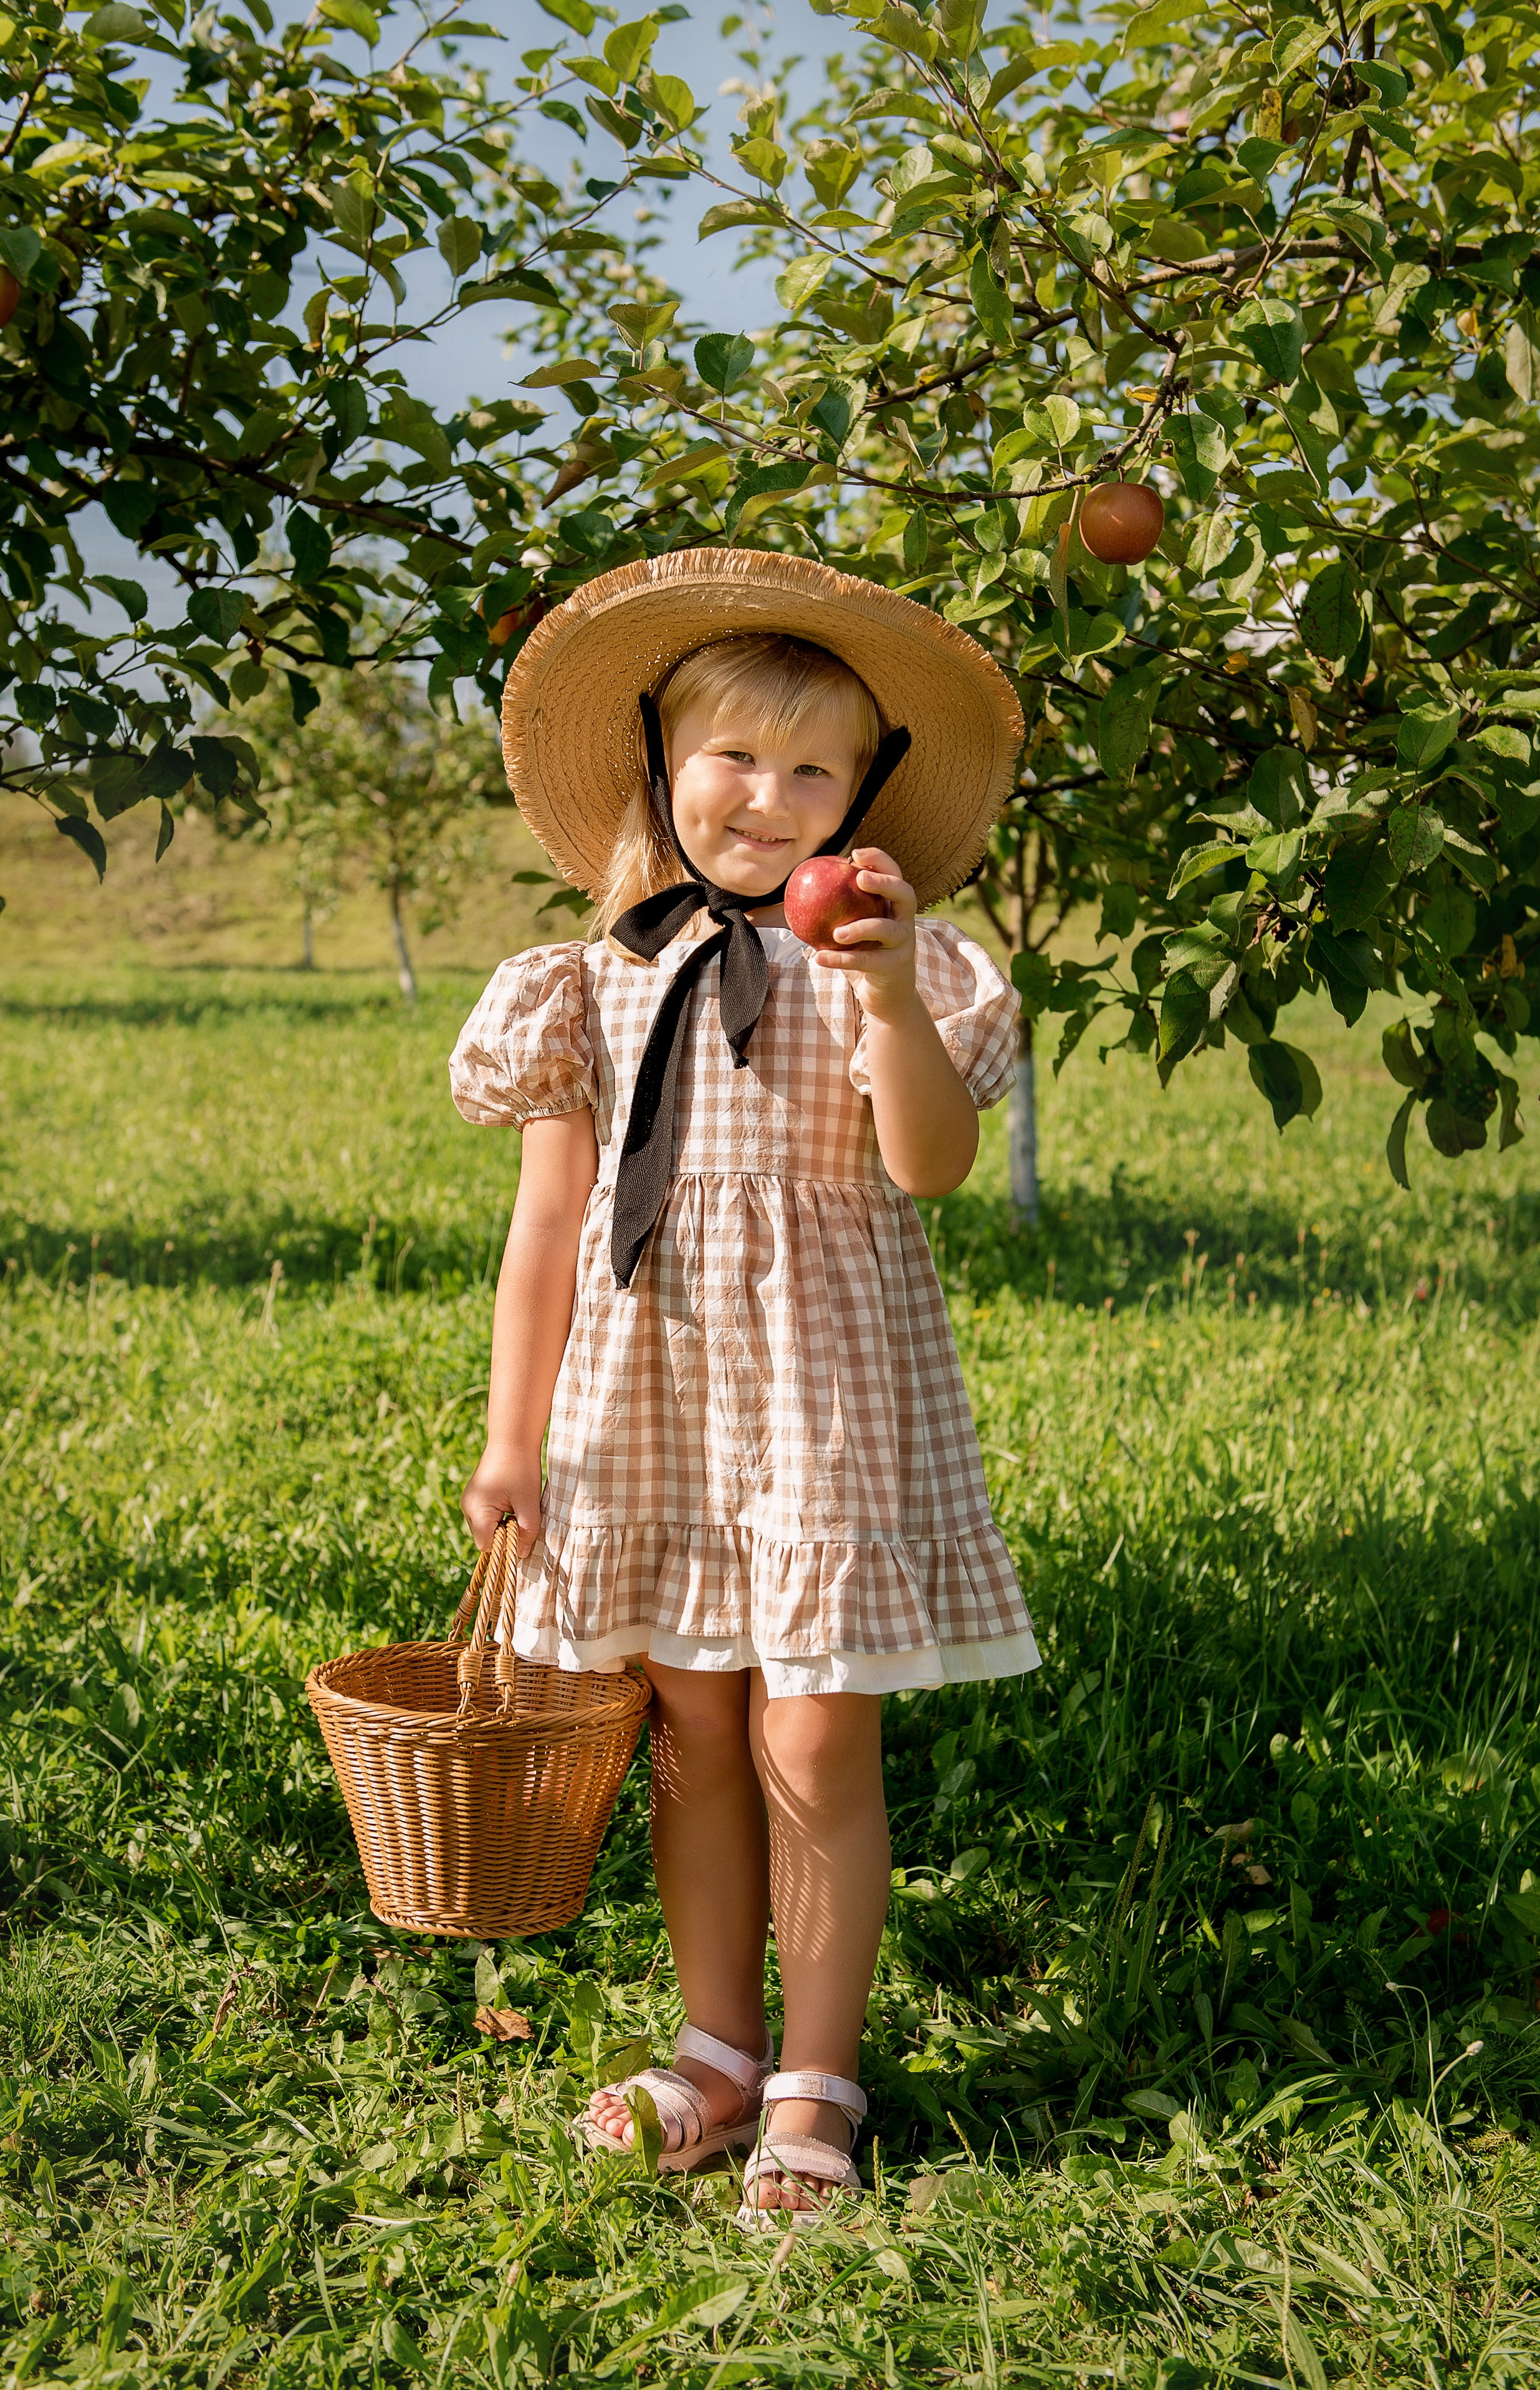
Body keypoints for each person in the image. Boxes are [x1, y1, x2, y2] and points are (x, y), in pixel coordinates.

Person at [449, 547, 1039, 2228]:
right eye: (732, 756)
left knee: (810, 1736)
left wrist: (876, 988)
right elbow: (548, 1228)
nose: (767, 797)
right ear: (660, 764)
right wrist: (510, 1438)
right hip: (647, 1401)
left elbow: (928, 1165)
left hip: (821, 1398)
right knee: (694, 1732)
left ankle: (816, 2083)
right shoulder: (587, 976)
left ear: (862, 798)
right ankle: (717, 2044)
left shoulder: (899, 966)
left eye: (811, 770)